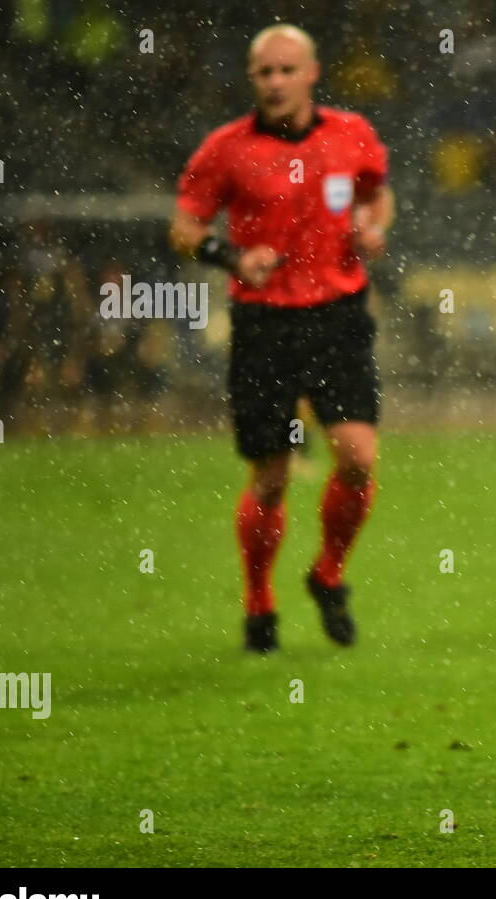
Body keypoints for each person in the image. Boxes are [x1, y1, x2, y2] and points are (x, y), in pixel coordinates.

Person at [169, 24, 394, 652]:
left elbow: (378, 198)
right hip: (264, 324)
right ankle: (259, 602)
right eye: (264, 72)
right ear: (253, 79)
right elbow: (184, 228)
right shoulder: (225, 148)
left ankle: (327, 574)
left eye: (285, 70)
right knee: (270, 477)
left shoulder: (352, 134)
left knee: (356, 457)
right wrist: (229, 256)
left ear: (312, 73)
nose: (274, 82)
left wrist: (372, 229)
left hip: (337, 317)